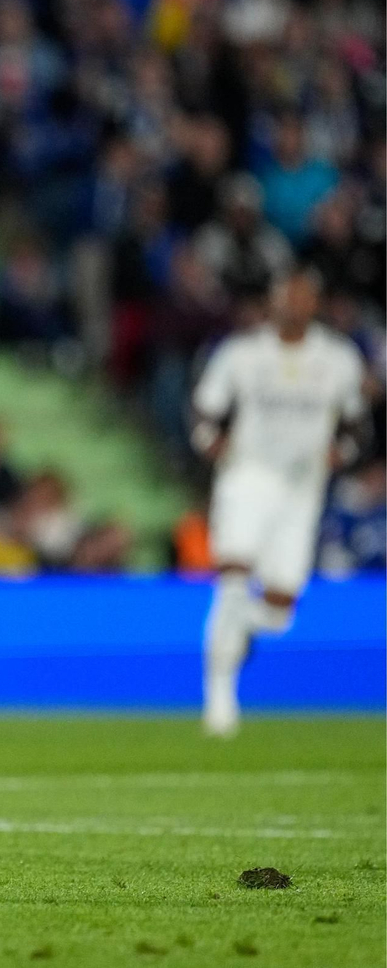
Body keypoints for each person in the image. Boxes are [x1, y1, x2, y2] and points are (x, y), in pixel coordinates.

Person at [193, 266, 367, 738]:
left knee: (280, 608)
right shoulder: (242, 354)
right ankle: (219, 696)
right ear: (273, 303)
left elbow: (355, 423)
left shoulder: (338, 359)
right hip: (248, 476)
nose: (295, 305)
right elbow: (206, 411)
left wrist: (341, 452)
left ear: (316, 303)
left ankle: (240, 630)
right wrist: (213, 445)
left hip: (301, 487)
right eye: (287, 296)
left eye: (304, 297)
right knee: (232, 577)